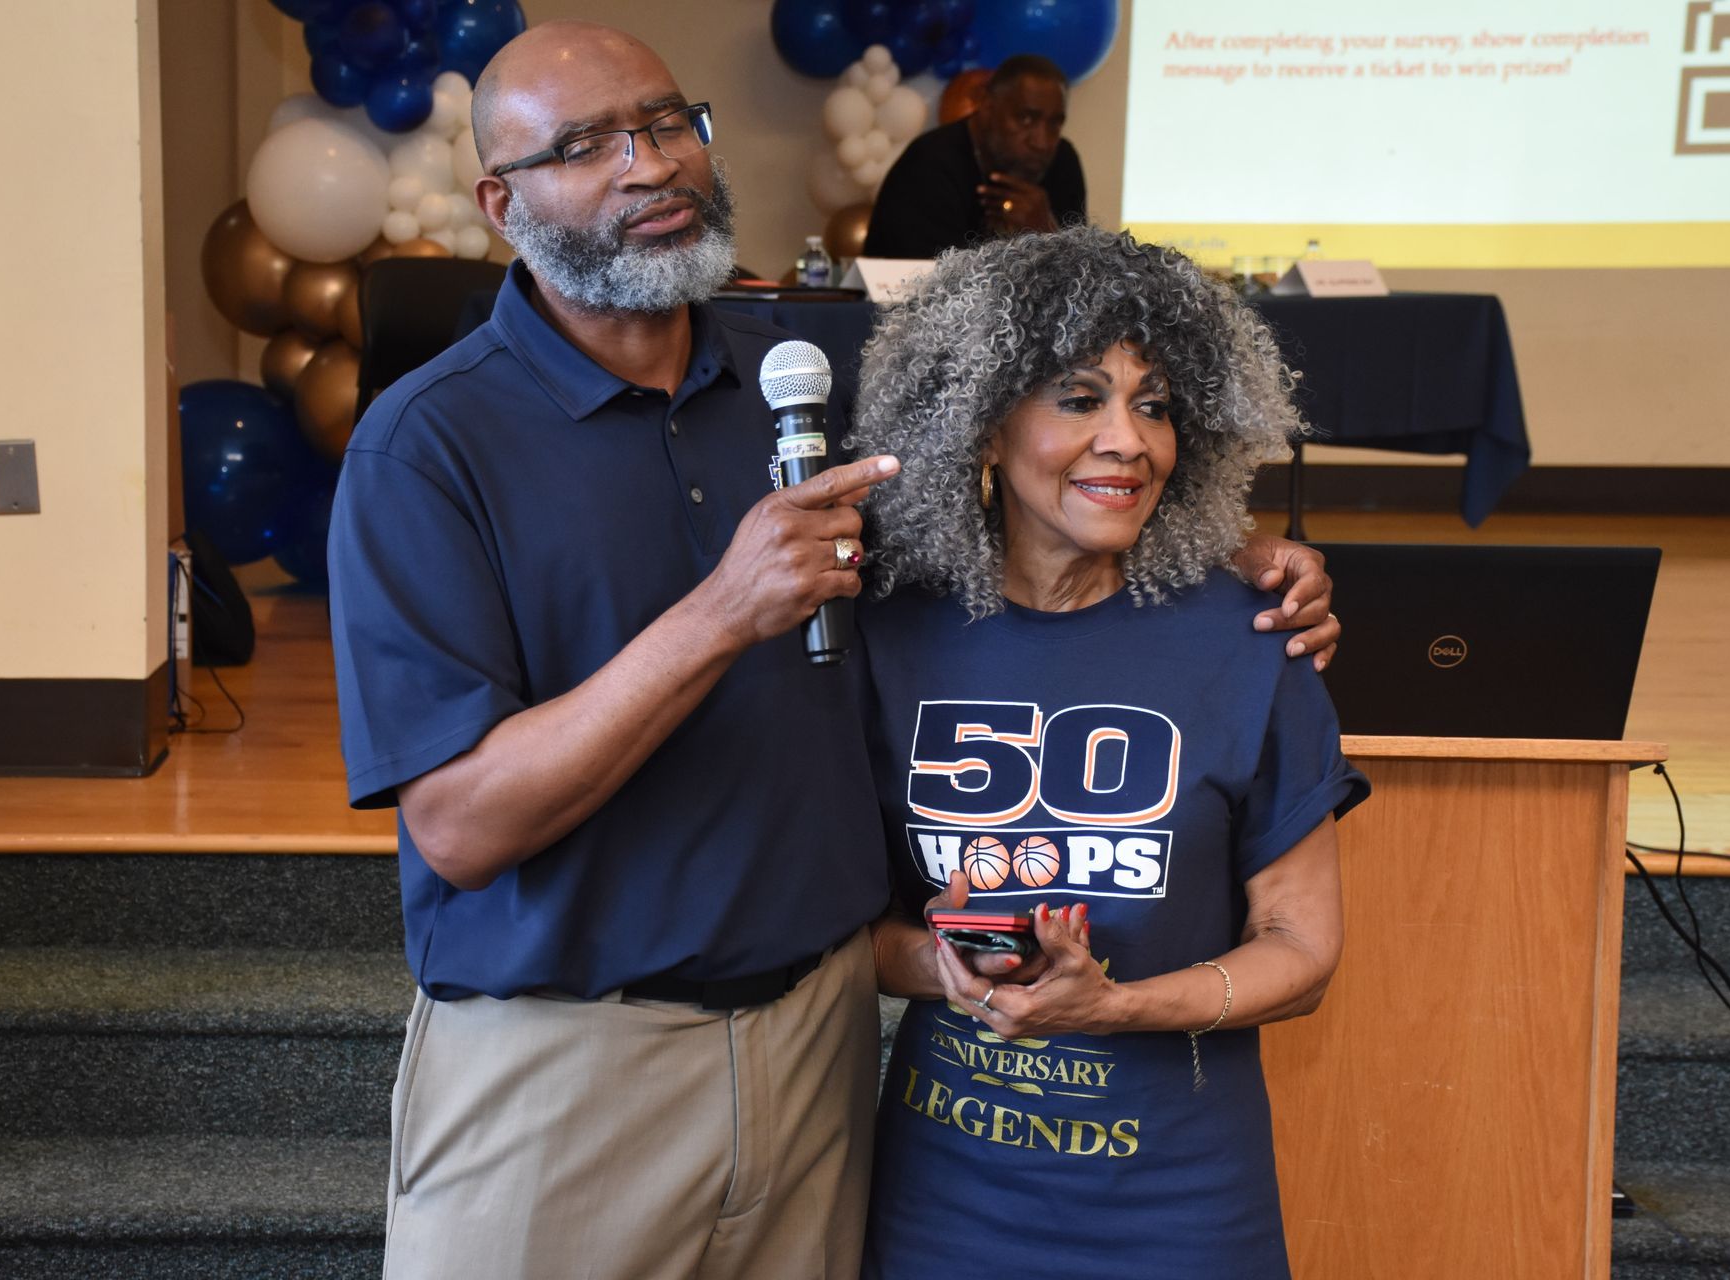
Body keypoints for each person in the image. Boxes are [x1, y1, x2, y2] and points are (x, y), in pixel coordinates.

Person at [327, 23, 1337, 1279]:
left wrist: (1224, 550)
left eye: (667, 122)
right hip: (568, 1054)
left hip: (819, 1042)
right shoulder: (426, 448)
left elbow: (1037, 482)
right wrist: (722, 609)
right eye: (585, 146)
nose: (650, 163)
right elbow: (462, 826)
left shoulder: (808, 390)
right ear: (501, 203)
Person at [847, 226, 1370, 1278]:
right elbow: (843, 931)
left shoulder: (1251, 640)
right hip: (944, 1200)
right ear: (982, 425)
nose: (1128, 440)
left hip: (1180, 1206)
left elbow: (1302, 950)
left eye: (1156, 405)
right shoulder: (885, 637)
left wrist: (1116, 1007)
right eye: (1080, 399)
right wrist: (949, 970)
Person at [861, 54, 1084, 260]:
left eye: (1055, 124)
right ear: (986, 105)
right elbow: (925, 281)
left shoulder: (1062, 162)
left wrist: (1048, 235)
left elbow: (1084, 280)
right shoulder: (929, 165)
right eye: (1025, 119)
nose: (1042, 142)